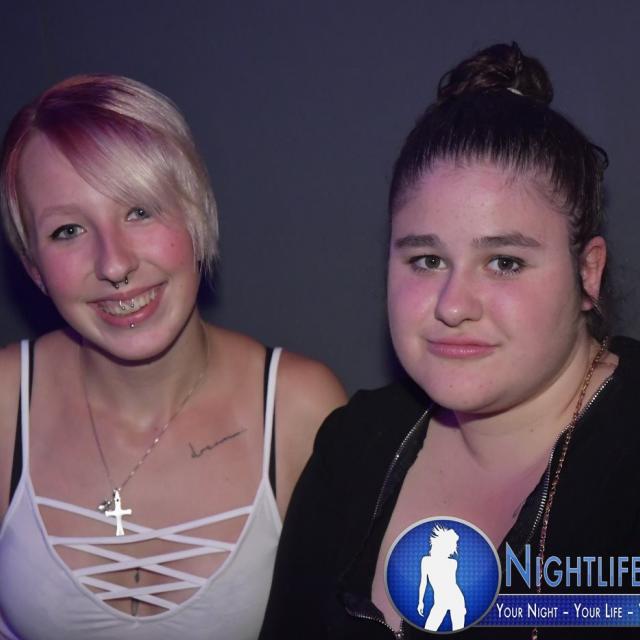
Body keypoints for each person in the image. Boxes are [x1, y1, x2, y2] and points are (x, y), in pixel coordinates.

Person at [260, 43, 640, 639]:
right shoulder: (353, 447)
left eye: (505, 262)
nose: (453, 305)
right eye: (428, 260)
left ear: (587, 273)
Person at [0, 74, 346, 640]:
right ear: (34, 267)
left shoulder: (299, 409)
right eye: (68, 230)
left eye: (139, 211)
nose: (114, 264)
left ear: (195, 212)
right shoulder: (4, 403)